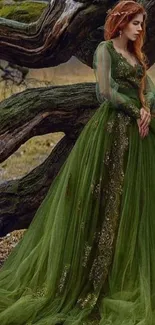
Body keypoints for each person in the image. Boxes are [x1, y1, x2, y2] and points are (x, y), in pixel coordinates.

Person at [0, 0, 155, 324]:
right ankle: (89, 276)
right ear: (122, 21)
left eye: (142, 23)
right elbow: (104, 92)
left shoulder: (135, 52)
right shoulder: (105, 51)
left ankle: (124, 274)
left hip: (140, 137)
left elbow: (147, 85)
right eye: (137, 23)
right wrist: (133, 109)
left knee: (132, 204)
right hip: (110, 133)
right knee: (103, 198)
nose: (141, 28)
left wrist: (148, 108)